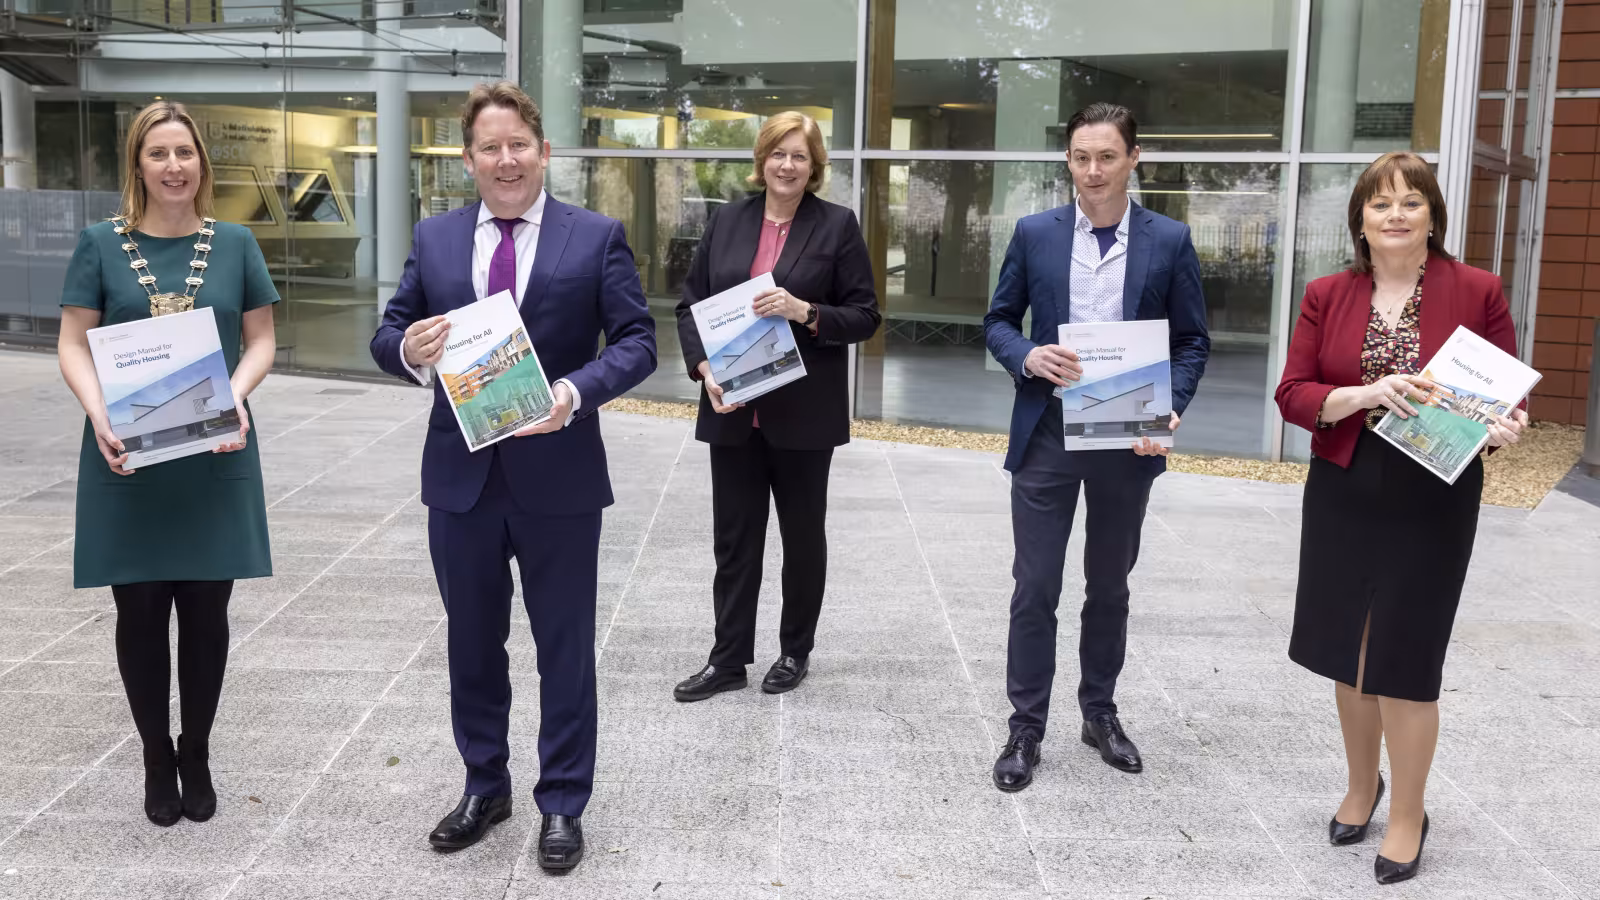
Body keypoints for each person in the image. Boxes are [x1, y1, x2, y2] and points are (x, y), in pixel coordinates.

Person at [369, 81, 656, 869]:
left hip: (558, 475)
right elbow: (389, 330)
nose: (505, 159)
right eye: (489, 147)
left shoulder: (595, 236)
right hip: (461, 480)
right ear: (469, 158)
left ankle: (562, 800)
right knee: (472, 643)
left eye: (518, 145)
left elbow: (637, 340)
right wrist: (408, 352)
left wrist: (575, 392)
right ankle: (483, 785)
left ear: (543, 151)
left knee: (564, 647)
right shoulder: (434, 239)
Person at [1274, 151, 1525, 885]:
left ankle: (1409, 812)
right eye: (1380, 203)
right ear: (1359, 219)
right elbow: (1294, 392)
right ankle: (1362, 786)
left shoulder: (1477, 290)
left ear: (1433, 216)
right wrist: (1364, 394)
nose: (1394, 214)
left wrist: (1504, 425)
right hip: (1344, 486)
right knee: (1349, 652)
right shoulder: (1326, 293)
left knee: (1407, 662)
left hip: (1434, 496)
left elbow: (1505, 394)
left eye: (1410, 202)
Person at [56, 100, 278, 826]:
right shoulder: (99, 244)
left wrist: (236, 399)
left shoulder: (237, 243)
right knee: (142, 611)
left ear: (201, 164)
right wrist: (97, 412)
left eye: (185, 152)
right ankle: (156, 754)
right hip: (129, 456)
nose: (174, 166)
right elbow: (71, 342)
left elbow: (262, 342)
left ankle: (198, 751)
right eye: (159, 154)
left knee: (208, 612)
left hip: (215, 449)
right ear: (138, 164)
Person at [983, 103, 1210, 791]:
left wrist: (1170, 403)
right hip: (1049, 431)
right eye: (1081, 157)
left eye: (1106, 157)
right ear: (1069, 161)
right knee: (1035, 587)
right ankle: (1025, 727)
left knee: (1109, 586)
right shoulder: (1034, 234)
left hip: (1126, 437)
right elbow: (996, 321)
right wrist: (1028, 356)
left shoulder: (1169, 240)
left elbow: (1193, 340)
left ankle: (1099, 713)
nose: (1092, 171)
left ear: (1132, 158)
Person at [670, 111, 880, 702]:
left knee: (801, 538)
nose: (788, 165)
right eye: (778, 153)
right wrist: (703, 368)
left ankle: (794, 651)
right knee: (734, 541)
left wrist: (805, 312)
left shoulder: (837, 226)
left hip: (803, 414)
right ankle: (728, 659)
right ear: (762, 159)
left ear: (814, 168)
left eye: (800, 156)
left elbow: (865, 316)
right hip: (733, 408)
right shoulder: (727, 221)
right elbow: (690, 308)